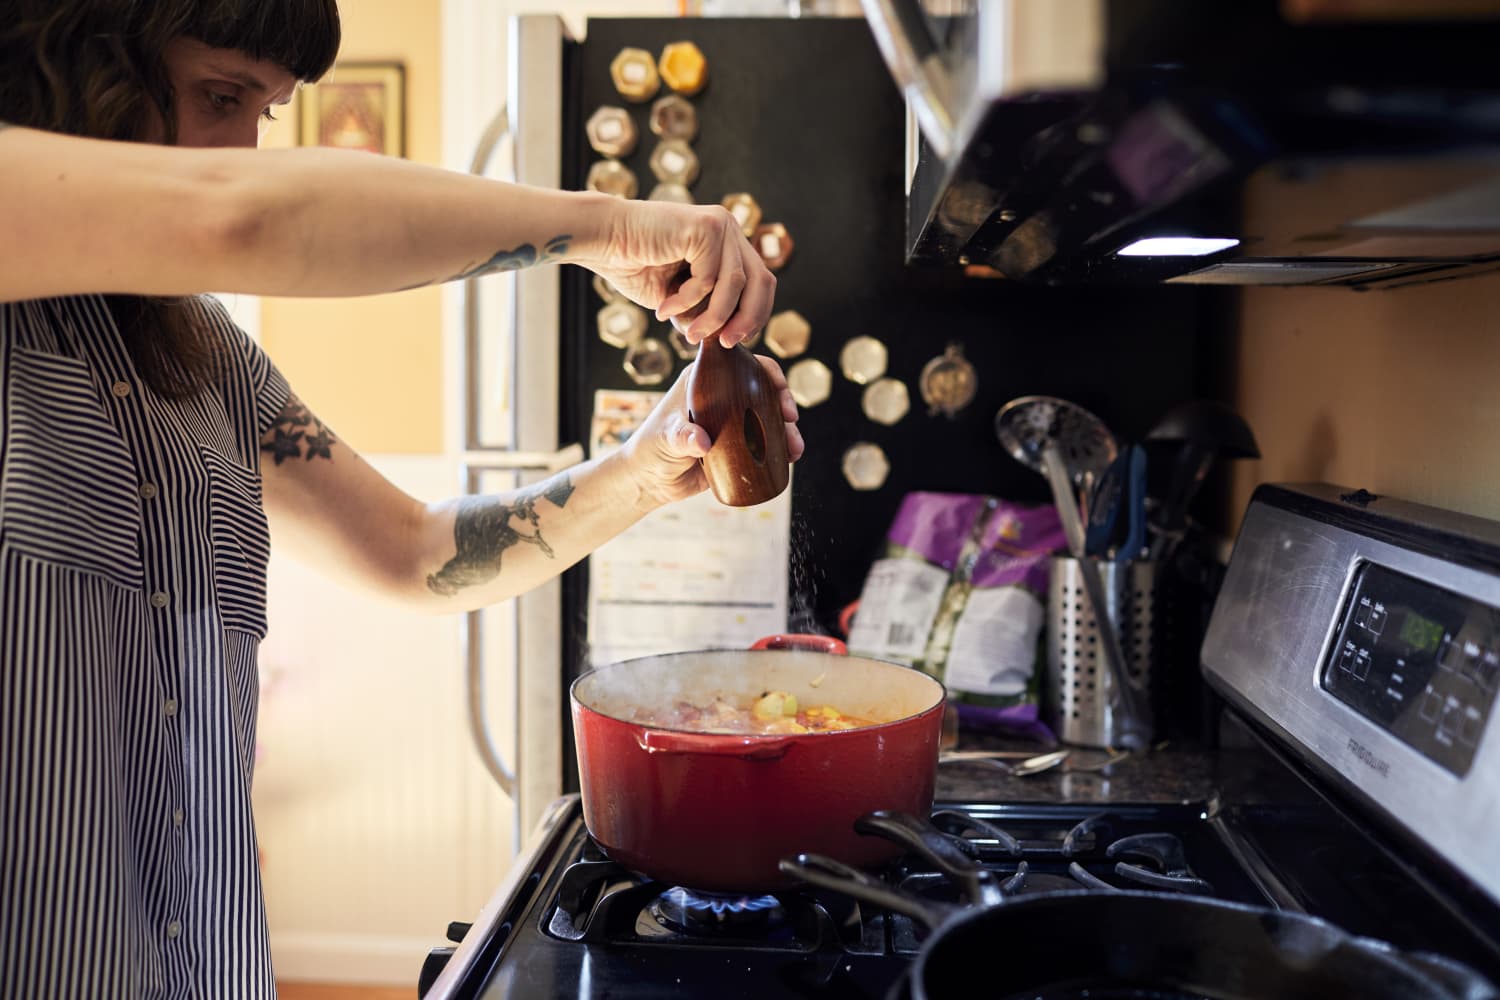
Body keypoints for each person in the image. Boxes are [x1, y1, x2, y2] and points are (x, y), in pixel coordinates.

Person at [0, 0, 803, 995]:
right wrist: (607, 224)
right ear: (78, 60)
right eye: (220, 96)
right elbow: (235, 209)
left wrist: (640, 471)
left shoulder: (200, 356)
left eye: (266, 115)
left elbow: (411, 551)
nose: (247, 147)